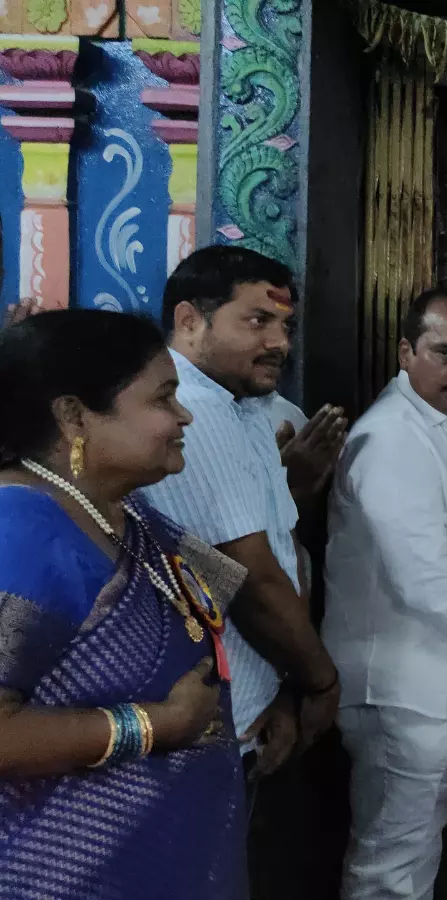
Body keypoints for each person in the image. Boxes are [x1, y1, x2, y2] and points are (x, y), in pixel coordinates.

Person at [0, 309, 247, 896]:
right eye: (163, 399)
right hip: (67, 872)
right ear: (74, 418)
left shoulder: (120, 511)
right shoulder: (22, 532)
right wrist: (155, 725)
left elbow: (216, 601)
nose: (183, 415)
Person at [322, 287, 447, 900]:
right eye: (446, 353)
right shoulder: (392, 439)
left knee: (416, 846)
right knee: (389, 862)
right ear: (406, 351)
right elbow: (420, 574)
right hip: (400, 688)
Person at [141, 245, 341, 785]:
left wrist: (280, 685)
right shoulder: (194, 413)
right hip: (202, 723)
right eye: (257, 321)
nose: (280, 343)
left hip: (247, 706)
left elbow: (272, 547)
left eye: (285, 325)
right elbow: (250, 581)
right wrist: (319, 683)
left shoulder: (246, 406)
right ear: (189, 321)